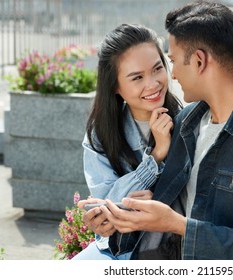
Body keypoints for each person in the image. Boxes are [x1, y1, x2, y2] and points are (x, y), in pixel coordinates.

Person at [86, 0, 233, 259]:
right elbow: (166, 210)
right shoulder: (187, 122)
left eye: (171, 62)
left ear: (198, 61)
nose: (171, 76)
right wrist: (120, 220)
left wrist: (177, 225)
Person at [73, 23, 183, 260]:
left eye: (157, 69)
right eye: (137, 77)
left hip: (173, 248)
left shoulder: (188, 121)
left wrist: (157, 202)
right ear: (115, 86)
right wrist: (156, 156)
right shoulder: (100, 135)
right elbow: (108, 206)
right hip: (120, 248)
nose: (152, 84)